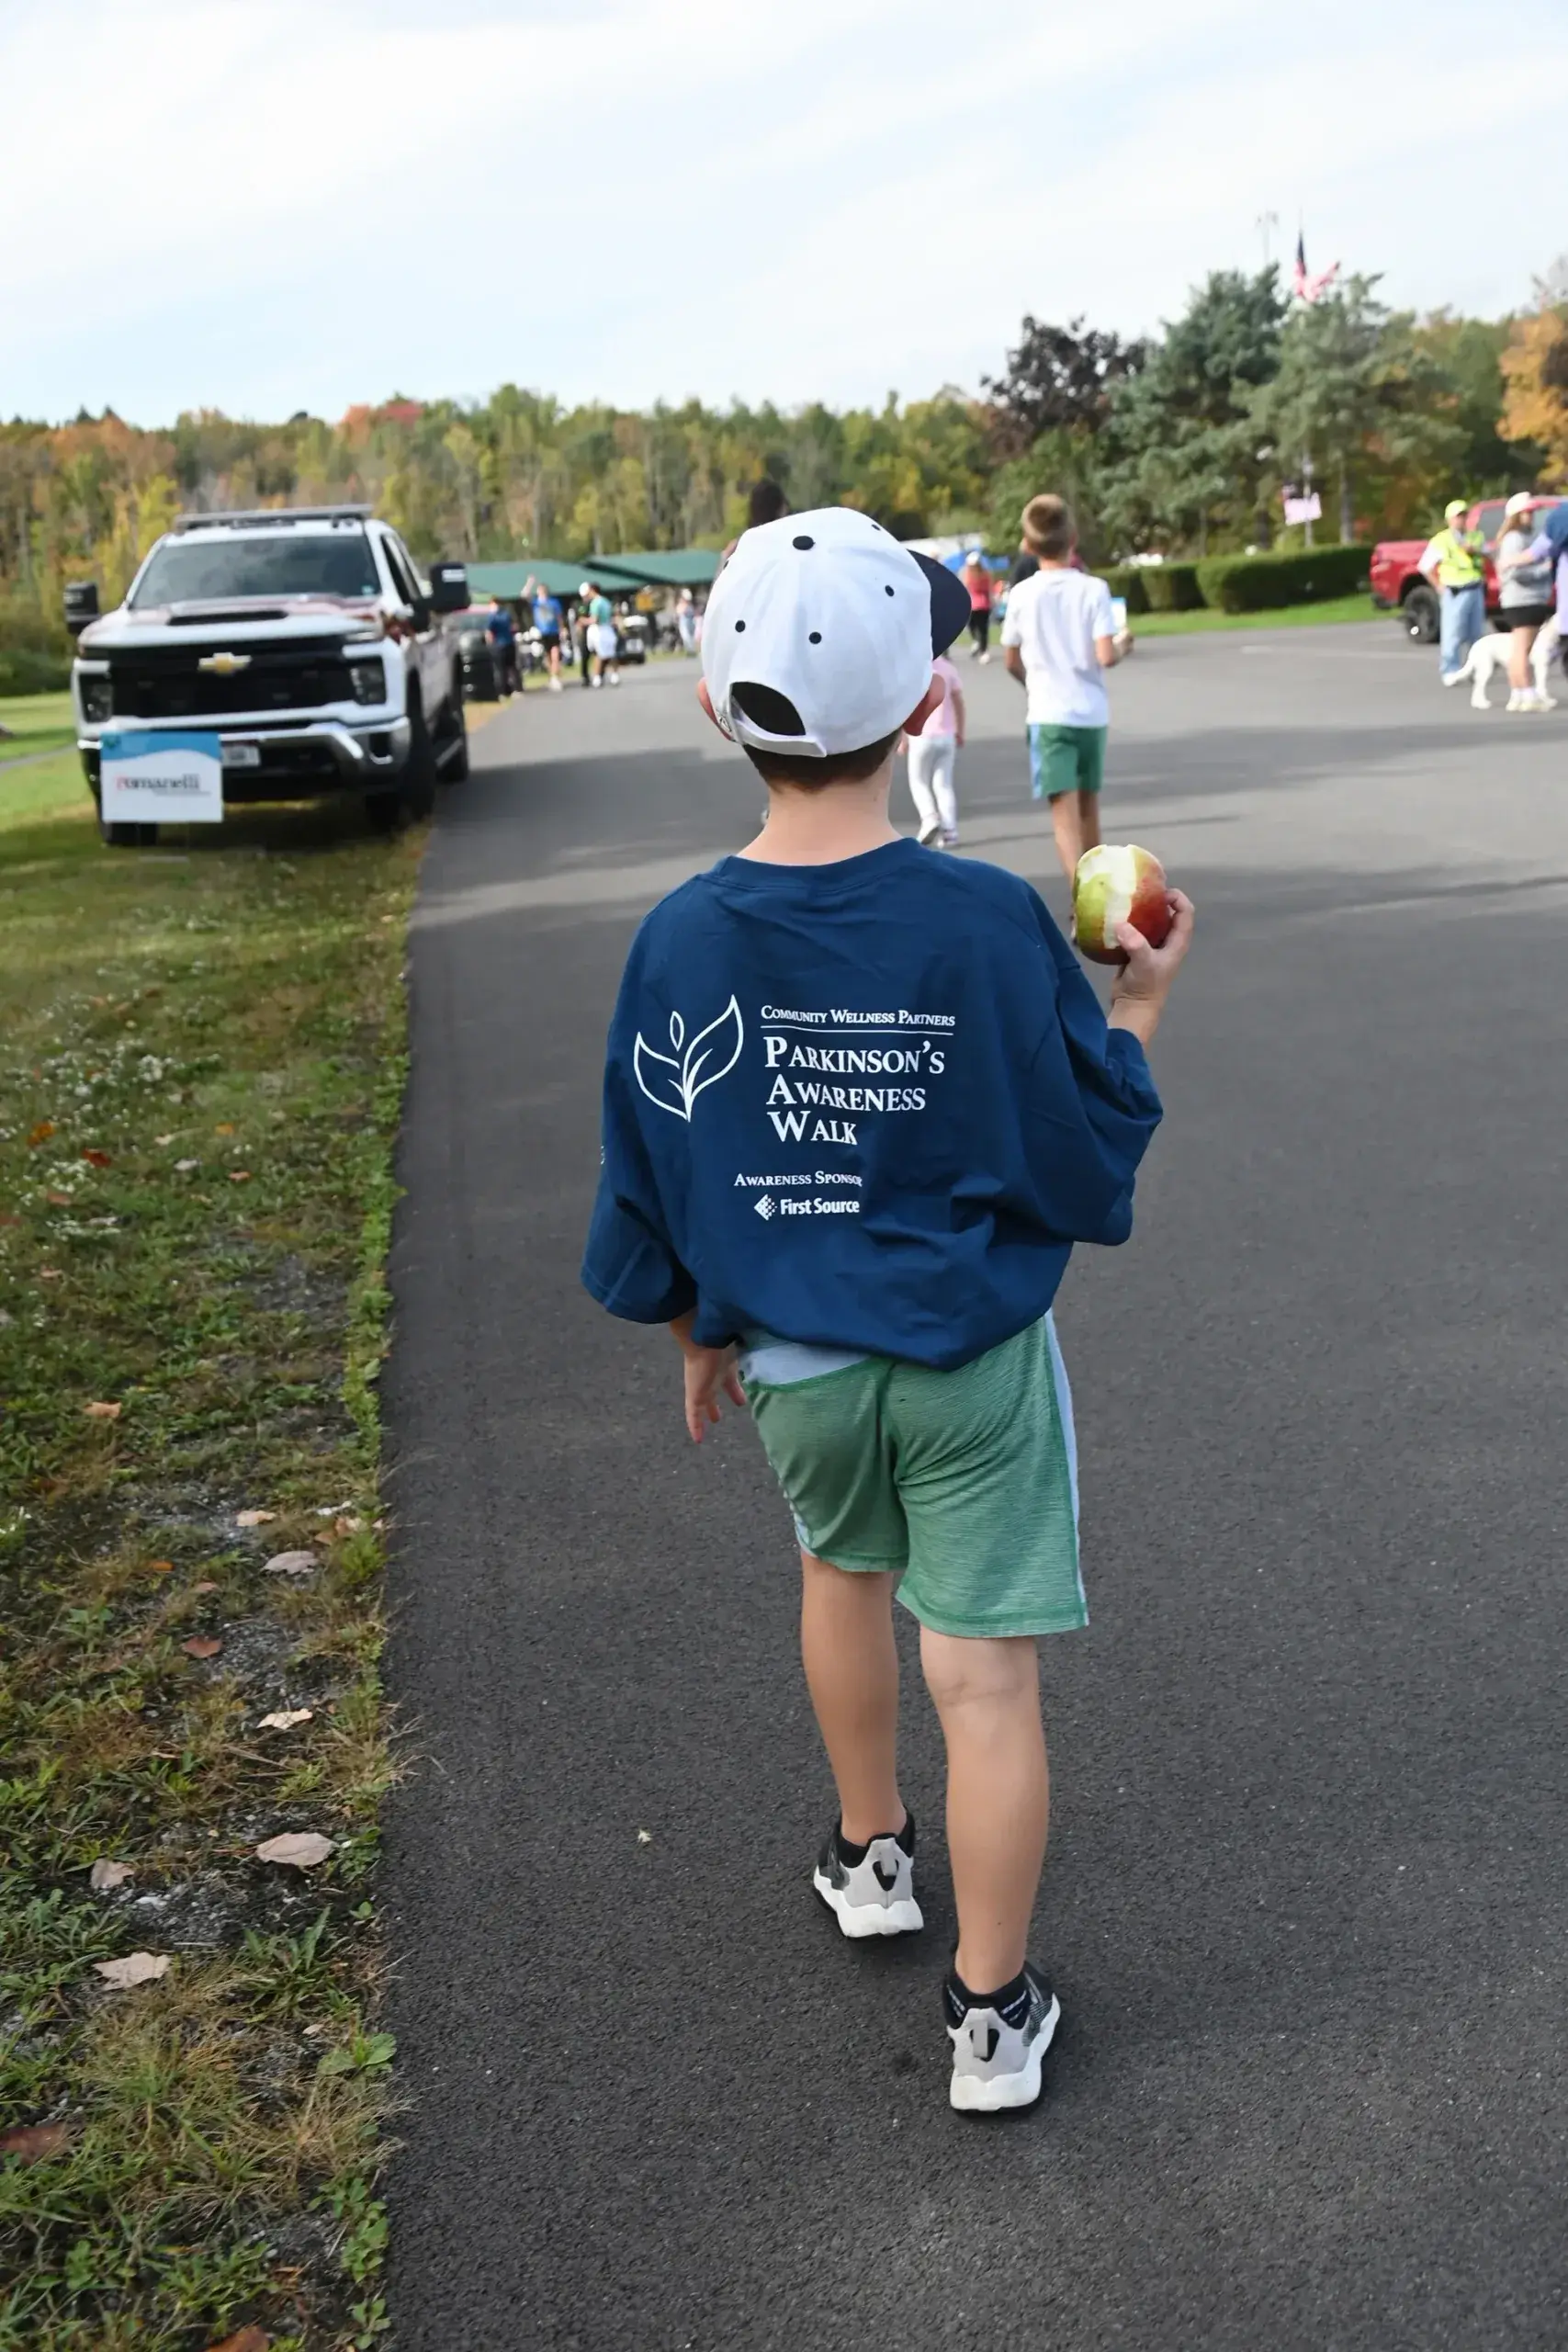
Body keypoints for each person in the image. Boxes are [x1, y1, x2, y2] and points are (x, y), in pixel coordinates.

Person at [581, 506, 1193, 2115]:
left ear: (714, 708)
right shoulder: (990, 919)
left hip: (789, 1356)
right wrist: (1132, 1001)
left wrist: (690, 1330)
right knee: (981, 1681)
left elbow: (653, 1157)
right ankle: (989, 2014)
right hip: (967, 1356)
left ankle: (868, 1855)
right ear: (931, 704)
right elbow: (1076, 1144)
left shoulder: (679, 937)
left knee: (836, 1572)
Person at [1000, 493, 1125, 880]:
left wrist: (1031, 684)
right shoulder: (1094, 589)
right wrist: (1125, 643)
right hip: (1090, 713)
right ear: (1073, 537)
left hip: (1048, 713)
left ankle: (1079, 897)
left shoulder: (1021, 595)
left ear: (1027, 544)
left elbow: (1011, 658)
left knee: (1063, 816)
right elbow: (1106, 655)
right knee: (1089, 809)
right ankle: (1101, 898)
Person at [1495, 494, 1555, 711]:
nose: (1531, 516)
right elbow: (1516, 571)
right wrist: (1543, 571)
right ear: (1516, 515)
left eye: (1532, 512)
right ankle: (1527, 693)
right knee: (1522, 648)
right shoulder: (1515, 539)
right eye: (1526, 512)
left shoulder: (1526, 537)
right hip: (1523, 600)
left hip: (1528, 600)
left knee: (1521, 648)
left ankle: (1519, 693)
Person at [899, 646, 964, 845]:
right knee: (943, 784)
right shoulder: (948, 668)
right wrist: (960, 731)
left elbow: (905, 708)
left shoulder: (915, 670)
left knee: (918, 781)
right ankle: (950, 831)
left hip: (922, 736)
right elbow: (959, 702)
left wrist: (903, 738)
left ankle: (929, 818)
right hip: (947, 736)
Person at [1420, 498, 1486, 687]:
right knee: (1453, 633)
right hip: (1455, 591)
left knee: (1476, 632)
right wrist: (1438, 586)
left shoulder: (1475, 536)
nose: (1462, 519)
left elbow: (1489, 553)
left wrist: (1476, 550)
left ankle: (1475, 669)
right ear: (1450, 519)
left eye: (1465, 515)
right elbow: (1425, 566)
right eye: (1458, 516)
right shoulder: (1441, 540)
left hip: (1474, 588)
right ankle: (1450, 669)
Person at [531, 577, 566, 693]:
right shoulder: (536, 602)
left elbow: (559, 617)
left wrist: (562, 628)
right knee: (548, 656)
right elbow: (524, 595)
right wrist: (530, 583)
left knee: (555, 654)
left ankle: (555, 677)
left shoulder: (553, 602)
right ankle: (553, 675)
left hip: (553, 631)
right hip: (543, 632)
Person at [962, 551, 994, 662]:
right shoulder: (966, 574)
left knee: (982, 628)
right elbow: (965, 588)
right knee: (972, 625)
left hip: (982, 603)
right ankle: (977, 642)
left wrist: (992, 601)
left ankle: (983, 651)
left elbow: (989, 589)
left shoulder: (985, 574)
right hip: (972, 603)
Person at [486, 596, 518, 695]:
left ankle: (503, 691)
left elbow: (489, 632)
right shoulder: (506, 614)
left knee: (501, 669)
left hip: (499, 645)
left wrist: (489, 644)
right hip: (509, 643)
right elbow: (514, 627)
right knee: (511, 668)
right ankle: (515, 689)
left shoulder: (492, 616)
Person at [591, 585, 620, 687]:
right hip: (609, 629)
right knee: (611, 653)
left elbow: (595, 619)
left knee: (599, 654)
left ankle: (597, 677)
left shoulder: (595, 603)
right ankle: (615, 675)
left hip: (600, 630)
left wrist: (583, 621)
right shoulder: (606, 602)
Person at [576, 582, 598, 690]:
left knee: (598, 654)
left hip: (595, 630)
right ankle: (585, 677)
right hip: (585, 633)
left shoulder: (595, 603)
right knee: (584, 655)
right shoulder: (580, 605)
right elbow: (579, 619)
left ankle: (598, 674)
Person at [675, 586, 698, 656]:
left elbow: (693, 613)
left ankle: (692, 650)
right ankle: (690, 650)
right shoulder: (682, 605)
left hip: (690, 620)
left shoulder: (689, 605)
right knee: (686, 636)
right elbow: (679, 612)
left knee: (690, 636)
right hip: (684, 620)